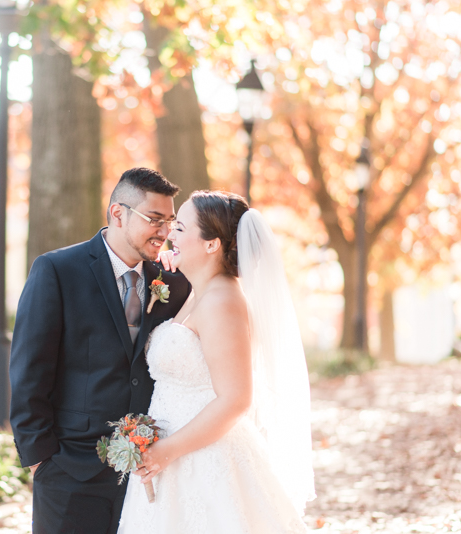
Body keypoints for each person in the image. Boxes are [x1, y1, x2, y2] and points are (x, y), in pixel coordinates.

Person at [118, 191, 315, 533]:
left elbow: (236, 398)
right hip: (171, 458)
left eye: (179, 227)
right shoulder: (199, 291)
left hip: (203, 457)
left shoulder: (223, 300)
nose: (169, 236)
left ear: (211, 244)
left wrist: (167, 450)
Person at [10, 168, 192, 534]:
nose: (164, 231)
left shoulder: (174, 282)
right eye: (154, 219)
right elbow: (29, 371)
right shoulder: (57, 270)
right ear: (118, 213)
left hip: (147, 475)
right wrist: (41, 462)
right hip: (69, 470)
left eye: (170, 221)